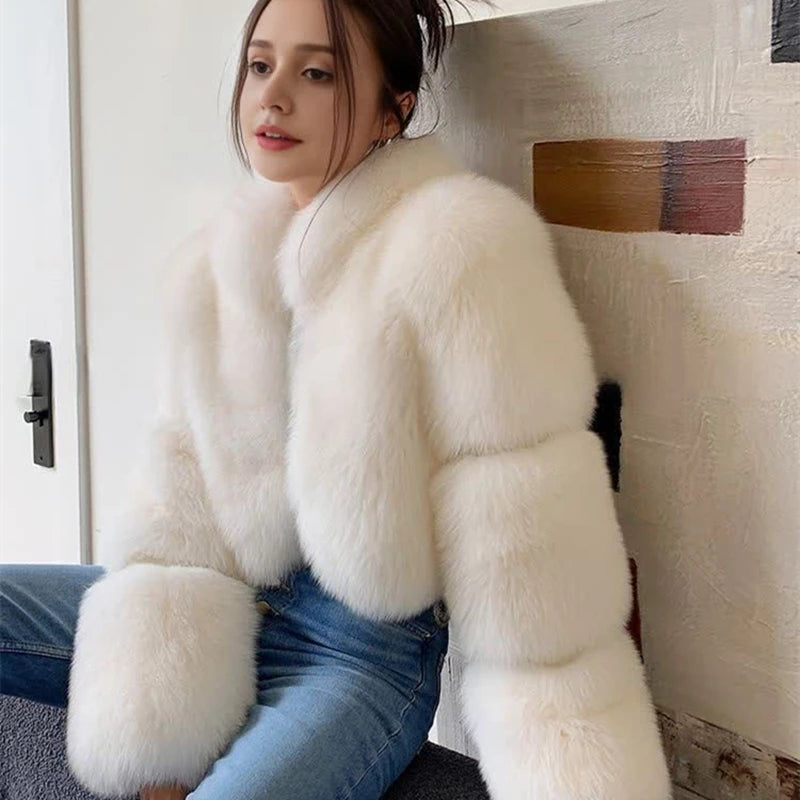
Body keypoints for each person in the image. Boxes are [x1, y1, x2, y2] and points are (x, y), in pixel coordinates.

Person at [0, 0, 674, 797]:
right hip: (224, 608)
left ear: (397, 111)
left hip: (358, 654)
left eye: (316, 72)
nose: (272, 97)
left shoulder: (458, 248)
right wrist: (163, 727)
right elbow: (182, 520)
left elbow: (532, 554)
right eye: (260, 65)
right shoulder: (212, 268)